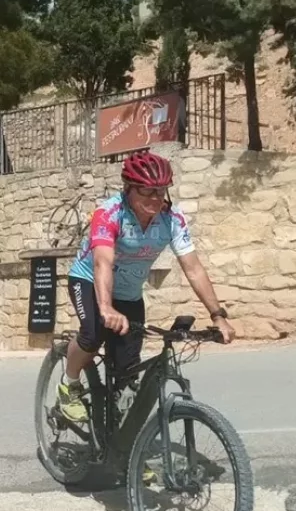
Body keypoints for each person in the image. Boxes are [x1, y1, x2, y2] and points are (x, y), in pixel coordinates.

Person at [56, 150, 236, 424]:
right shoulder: (109, 213)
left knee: (128, 373)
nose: (155, 198)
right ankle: (69, 385)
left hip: (129, 294)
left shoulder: (172, 219)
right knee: (92, 335)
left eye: (160, 191)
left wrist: (218, 315)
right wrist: (105, 307)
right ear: (128, 188)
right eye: (147, 191)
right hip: (89, 281)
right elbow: (103, 261)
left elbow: (193, 268)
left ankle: (119, 440)